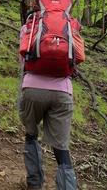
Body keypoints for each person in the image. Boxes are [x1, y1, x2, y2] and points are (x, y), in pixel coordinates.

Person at [18, 18, 78, 190]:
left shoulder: (29, 28)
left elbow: (23, 62)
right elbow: (78, 58)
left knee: (31, 134)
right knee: (61, 147)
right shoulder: (70, 27)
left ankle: (34, 183)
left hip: (32, 89)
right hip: (62, 92)